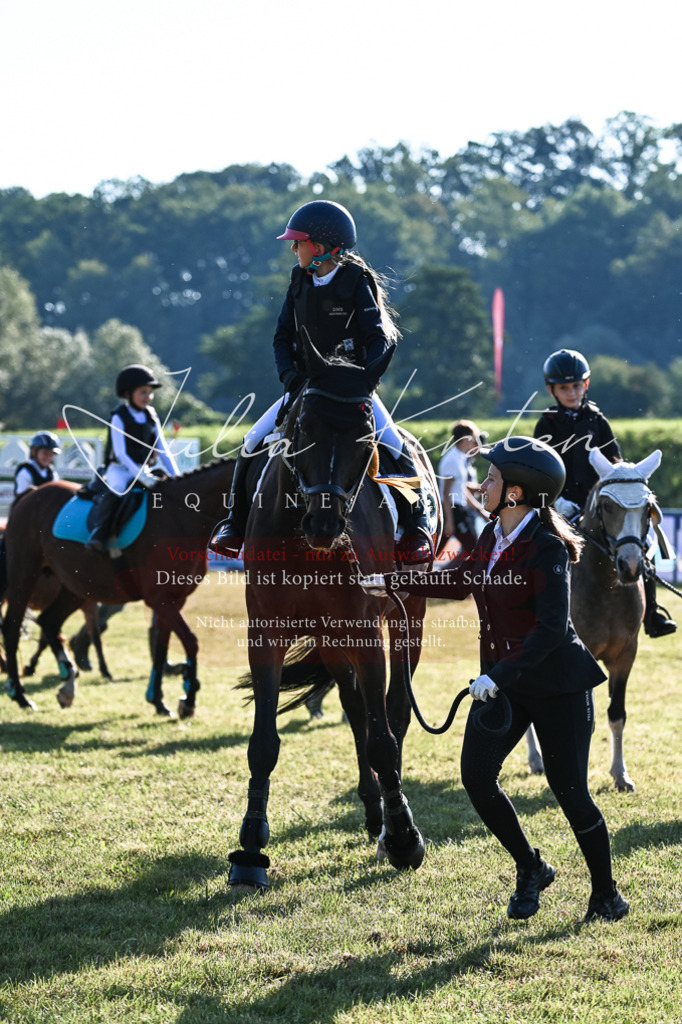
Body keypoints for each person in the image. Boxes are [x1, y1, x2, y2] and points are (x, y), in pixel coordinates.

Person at [361, 436, 629, 923]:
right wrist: (394, 580)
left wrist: (497, 676)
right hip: (505, 684)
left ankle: (607, 895)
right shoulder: (491, 536)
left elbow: (551, 630)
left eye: (490, 478)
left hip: (556, 687)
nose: (480, 484)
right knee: (476, 776)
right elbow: (460, 579)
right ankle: (531, 867)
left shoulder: (545, 546)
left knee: (571, 793)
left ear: (515, 493)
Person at [209, 199, 433, 563]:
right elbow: (282, 338)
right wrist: (290, 377)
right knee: (251, 442)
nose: (293, 249)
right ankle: (235, 524)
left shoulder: (355, 282)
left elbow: (378, 337)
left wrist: (366, 377)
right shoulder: (298, 280)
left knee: (397, 447)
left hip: (351, 389)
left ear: (322, 247)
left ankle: (415, 526)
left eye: (298, 242)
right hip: (306, 386)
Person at [534, 347, 675, 638]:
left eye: (576, 386)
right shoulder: (546, 423)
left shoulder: (597, 420)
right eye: (564, 388)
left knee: (640, 542)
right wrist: (557, 500)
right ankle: (534, 613)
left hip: (600, 505)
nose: (571, 392)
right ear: (552, 390)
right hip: (560, 504)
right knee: (541, 548)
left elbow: (615, 463)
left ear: (585, 384)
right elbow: (542, 467)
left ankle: (652, 614)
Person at [87, 364, 178, 553]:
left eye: (150, 393)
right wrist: (141, 476)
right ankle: (99, 533)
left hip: (143, 469)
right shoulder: (119, 417)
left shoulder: (152, 417)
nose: (148, 397)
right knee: (119, 488)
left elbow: (163, 450)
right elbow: (121, 454)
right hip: (119, 469)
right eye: (143, 392)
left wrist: (177, 476)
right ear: (129, 393)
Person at [438, 419, 486, 554]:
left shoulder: (460, 457)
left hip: (460, 509)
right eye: (472, 437)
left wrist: (479, 510)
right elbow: (446, 492)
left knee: (473, 550)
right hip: (454, 510)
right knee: (475, 551)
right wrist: (449, 521)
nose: (474, 441)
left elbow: (461, 488)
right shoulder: (452, 459)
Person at [13, 431, 61, 499]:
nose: (48, 457)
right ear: (33, 451)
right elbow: (21, 498)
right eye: (45, 453)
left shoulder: (51, 472)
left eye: (51, 454)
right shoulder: (25, 472)